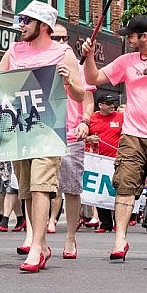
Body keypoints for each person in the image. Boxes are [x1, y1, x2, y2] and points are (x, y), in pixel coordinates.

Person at [82, 14, 147, 262]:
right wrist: (88, 58)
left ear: (145, 36)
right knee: (125, 186)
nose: (127, 39)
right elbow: (93, 79)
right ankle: (120, 239)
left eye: (130, 35)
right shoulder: (126, 61)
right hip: (132, 135)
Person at [0, 0, 84, 272]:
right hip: (19, 130)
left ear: (43, 26)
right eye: (21, 20)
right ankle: (40, 244)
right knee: (26, 190)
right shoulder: (14, 50)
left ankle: (36, 246)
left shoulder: (63, 53)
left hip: (48, 129)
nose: (21, 26)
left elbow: (81, 94)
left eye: (26, 21)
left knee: (40, 186)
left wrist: (69, 81)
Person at [44, 23, 95, 259]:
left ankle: (71, 238)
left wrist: (85, 121)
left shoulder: (77, 66)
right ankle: (37, 238)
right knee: (40, 188)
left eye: (64, 38)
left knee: (72, 188)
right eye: (55, 37)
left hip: (72, 133)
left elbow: (87, 99)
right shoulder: (40, 61)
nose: (60, 42)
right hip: (44, 132)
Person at [86, 94, 124, 233]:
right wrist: (90, 138)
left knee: (117, 191)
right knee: (101, 191)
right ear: (100, 105)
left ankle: (119, 222)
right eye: (108, 103)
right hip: (99, 160)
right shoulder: (92, 118)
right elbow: (84, 136)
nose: (112, 106)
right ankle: (105, 223)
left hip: (117, 159)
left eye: (112, 102)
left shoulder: (120, 117)